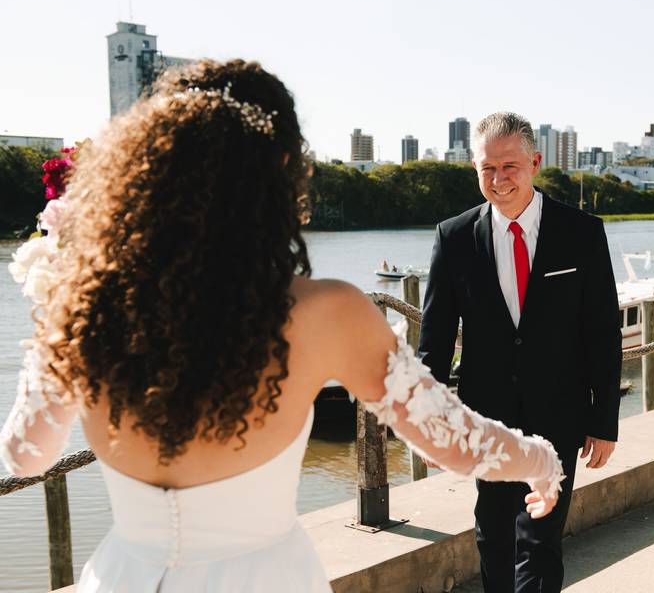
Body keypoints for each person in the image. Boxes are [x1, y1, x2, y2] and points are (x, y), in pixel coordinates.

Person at [0, 61, 563, 592]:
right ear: (277, 179)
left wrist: (56, 317)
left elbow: (25, 455)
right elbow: (453, 442)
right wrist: (540, 460)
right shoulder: (325, 311)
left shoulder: (83, 300)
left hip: (125, 575)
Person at [418, 112, 623, 592]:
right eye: (487, 168)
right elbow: (434, 342)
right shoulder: (452, 239)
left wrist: (604, 420)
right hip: (486, 419)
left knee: (539, 540)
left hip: (558, 417)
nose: (499, 179)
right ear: (474, 169)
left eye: (509, 166)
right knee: (493, 537)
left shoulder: (582, 233)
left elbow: (601, 333)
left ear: (534, 162)